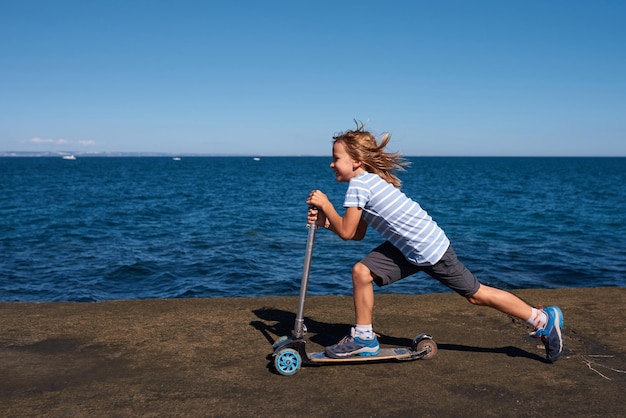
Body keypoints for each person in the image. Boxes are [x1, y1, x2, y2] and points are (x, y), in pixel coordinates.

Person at [305, 122, 565, 363]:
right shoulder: (367, 182)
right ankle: (364, 337)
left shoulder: (360, 185)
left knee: (477, 295)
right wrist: (324, 223)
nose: (331, 164)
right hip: (408, 247)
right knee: (361, 272)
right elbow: (356, 233)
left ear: (357, 162)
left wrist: (326, 205)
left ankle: (541, 318)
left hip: (429, 249)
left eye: (336, 159)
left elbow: (349, 233)